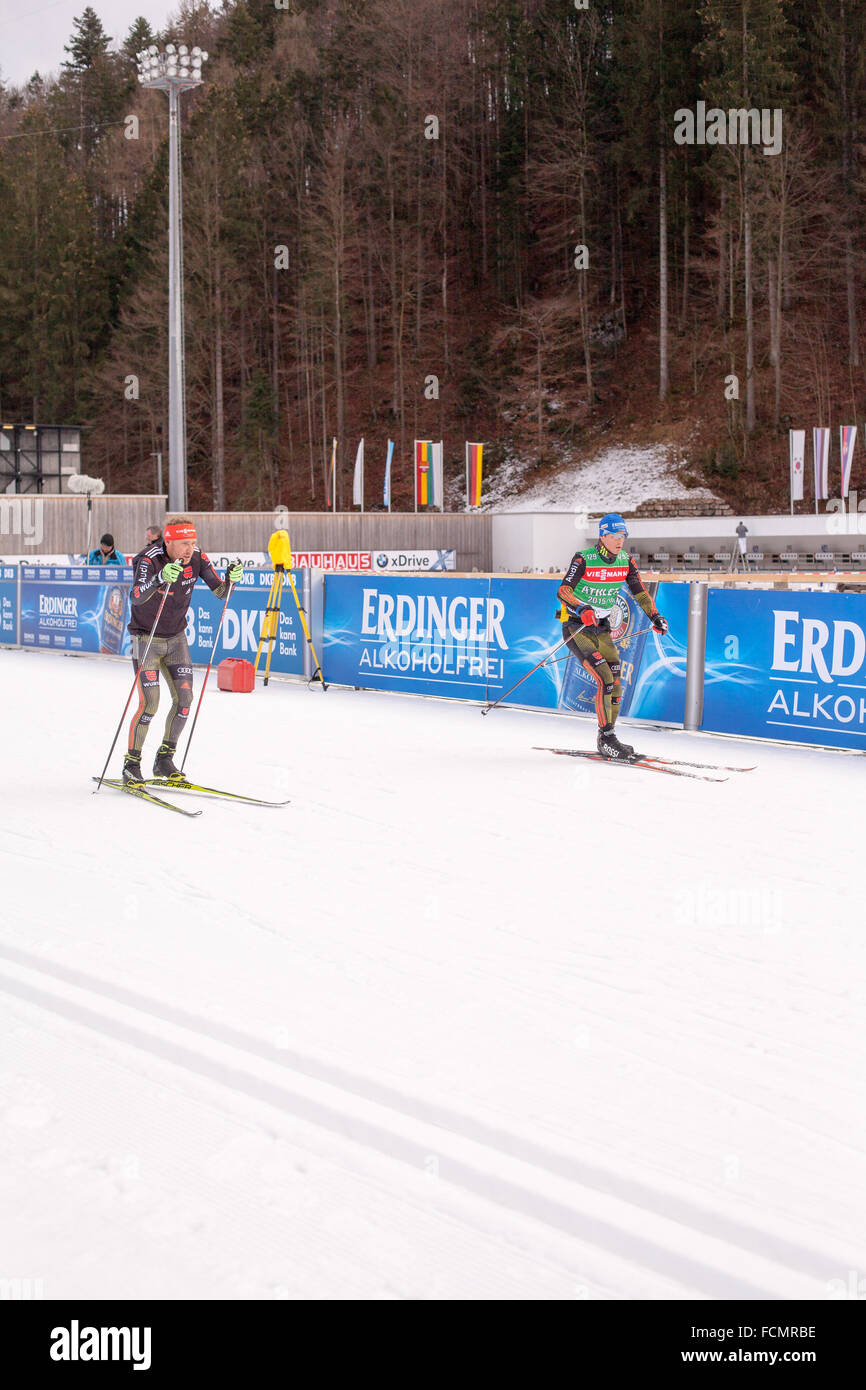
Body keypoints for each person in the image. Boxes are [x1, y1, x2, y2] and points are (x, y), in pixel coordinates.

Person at [123, 518, 243, 784]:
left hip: (176, 639)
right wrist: (159, 579)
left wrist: (231, 580)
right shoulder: (148, 559)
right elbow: (136, 596)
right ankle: (131, 764)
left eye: (192, 543)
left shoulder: (198, 557)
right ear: (168, 542)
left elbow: (221, 593)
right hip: (145, 638)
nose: (190, 549)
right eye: (183, 544)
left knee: (185, 700)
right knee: (150, 703)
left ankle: (164, 759)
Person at [557, 513, 668, 761]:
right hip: (576, 626)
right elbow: (563, 590)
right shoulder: (584, 558)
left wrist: (655, 617)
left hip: (602, 628)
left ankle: (610, 737)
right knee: (605, 678)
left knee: (615, 681)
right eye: (615, 536)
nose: (620, 541)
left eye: (623, 536)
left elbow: (640, 592)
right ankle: (605, 738)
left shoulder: (626, 561)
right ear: (603, 535)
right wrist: (581, 608)